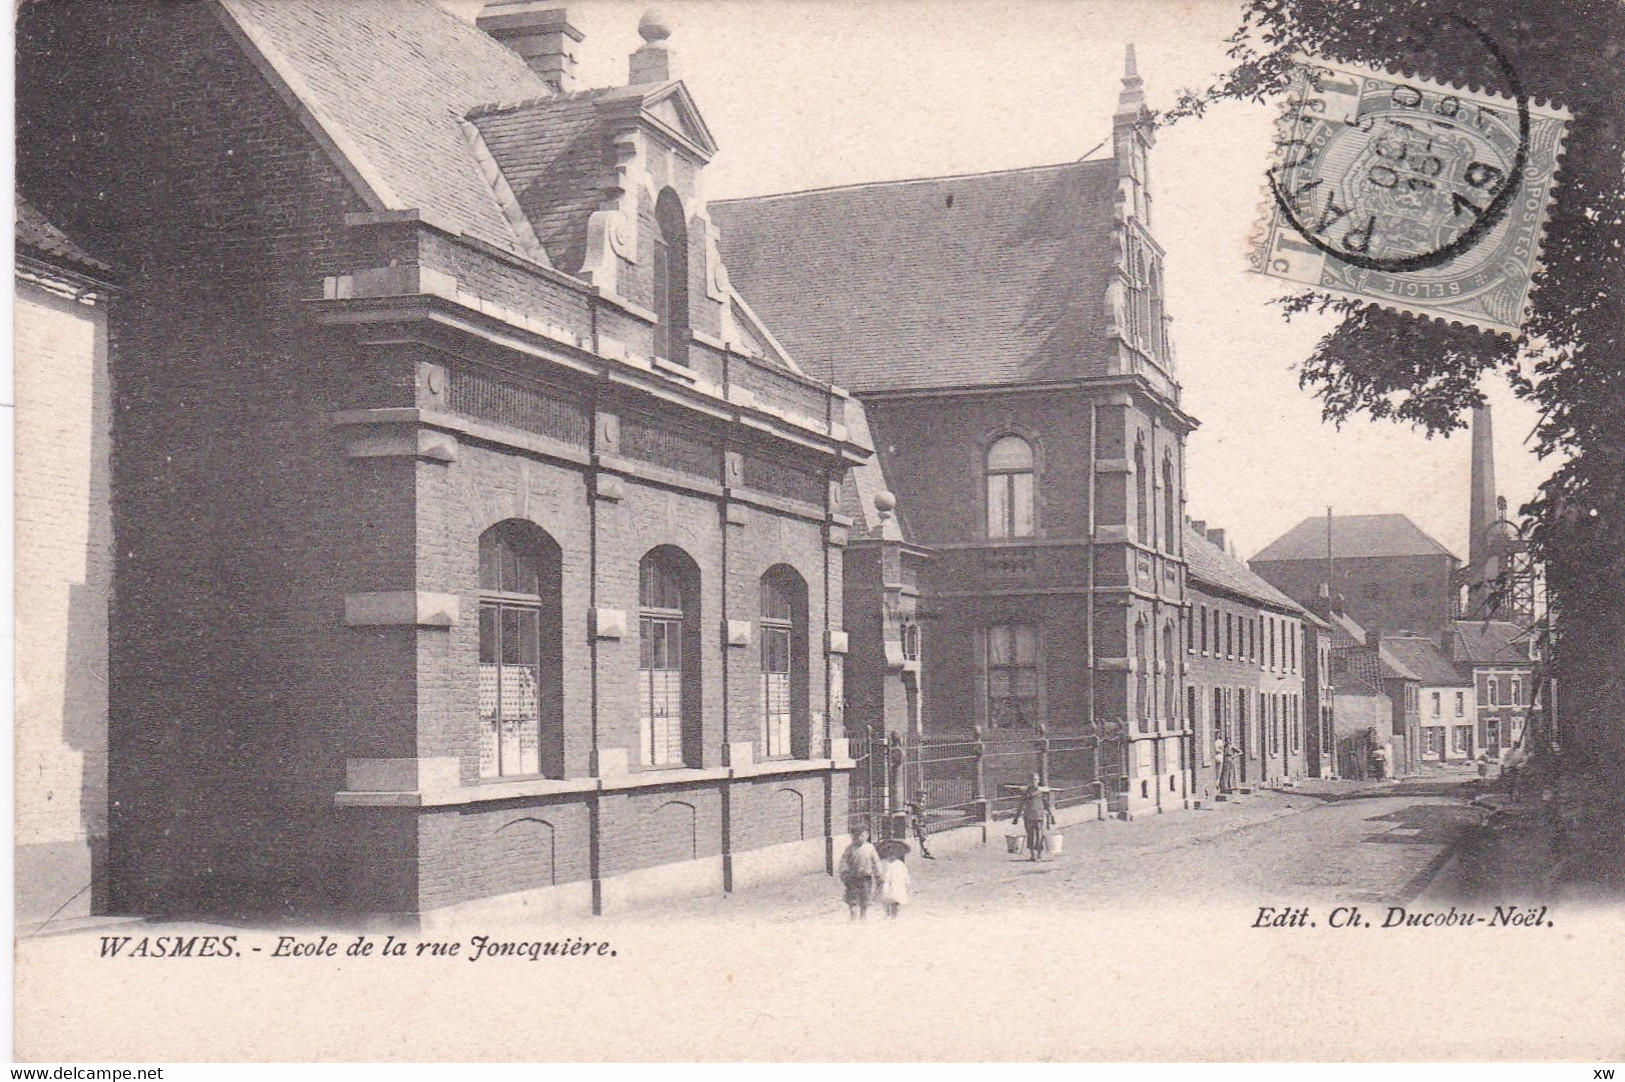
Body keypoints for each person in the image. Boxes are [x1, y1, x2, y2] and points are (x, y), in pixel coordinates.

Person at [837, 827, 883, 921]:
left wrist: (879, 873)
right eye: (855, 836)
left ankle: (863, 916)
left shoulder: (870, 848)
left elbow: (876, 861)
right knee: (852, 899)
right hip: (852, 878)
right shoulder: (850, 849)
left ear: (867, 835)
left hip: (866, 877)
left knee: (864, 898)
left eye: (861, 835)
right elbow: (844, 861)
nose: (858, 838)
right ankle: (853, 917)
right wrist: (844, 872)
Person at [1011, 773, 1054, 861]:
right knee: (1030, 836)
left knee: (1039, 836)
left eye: (1035, 779)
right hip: (1028, 816)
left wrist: (1051, 815)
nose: (1033, 782)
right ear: (1028, 782)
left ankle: (1039, 854)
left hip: (1039, 816)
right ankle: (1032, 855)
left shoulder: (1042, 792)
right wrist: (1016, 817)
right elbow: (1021, 805)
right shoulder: (1025, 793)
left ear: (1038, 781)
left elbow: (1046, 805)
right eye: (1031, 780)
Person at [880, 849, 911, 919]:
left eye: (893, 855)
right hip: (887, 884)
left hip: (897, 885)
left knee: (895, 901)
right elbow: (882, 874)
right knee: (886, 900)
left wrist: (906, 883)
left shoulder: (900, 864)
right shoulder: (885, 864)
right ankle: (887, 914)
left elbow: (905, 875)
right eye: (889, 855)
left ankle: (894, 916)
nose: (891, 857)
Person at [907, 789, 935, 859]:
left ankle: (925, 852)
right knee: (923, 838)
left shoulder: (922, 803)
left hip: (923, 822)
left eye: (924, 796)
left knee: (924, 838)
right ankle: (926, 852)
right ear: (918, 796)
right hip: (919, 823)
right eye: (922, 796)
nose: (923, 798)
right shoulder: (915, 803)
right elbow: (909, 805)